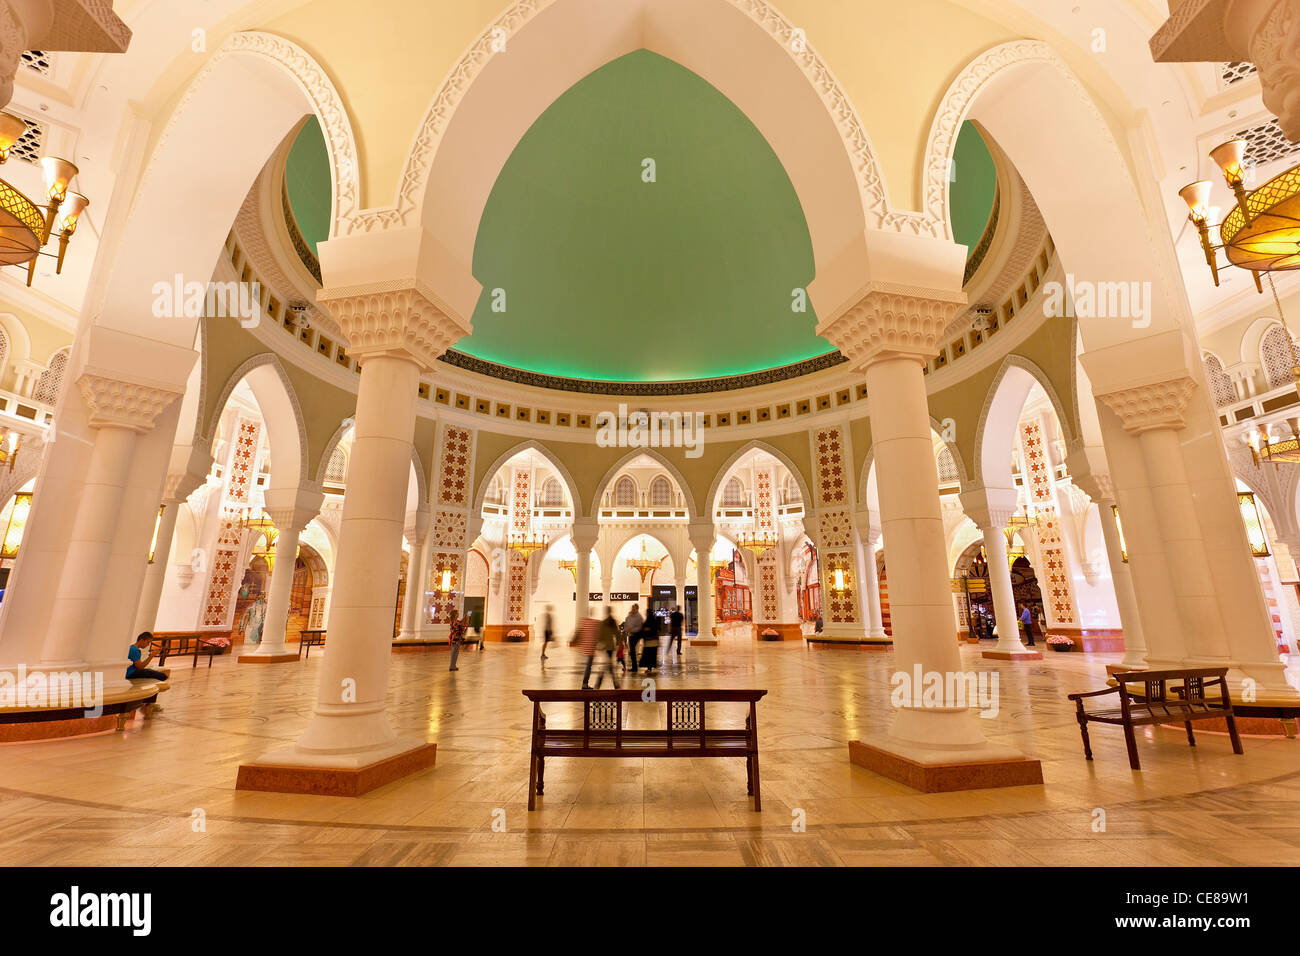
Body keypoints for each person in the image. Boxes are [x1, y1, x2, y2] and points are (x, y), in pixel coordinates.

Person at [589, 607, 621, 689]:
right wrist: (619, 643)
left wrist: (598, 644)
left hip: (604, 646)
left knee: (606, 665)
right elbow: (617, 634)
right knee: (608, 665)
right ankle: (615, 684)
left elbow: (600, 635)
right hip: (611, 646)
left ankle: (599, 684)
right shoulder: (613, 622)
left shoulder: (603, 623)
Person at [578, 612, 600, 688]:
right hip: (590, 649)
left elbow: (580, 634)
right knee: (588, 667)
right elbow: (597, 635)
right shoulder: (595, 623)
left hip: (584, 649)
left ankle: (585, 683)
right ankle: (585, 684)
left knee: (588, 667)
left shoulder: (584, 622)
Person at [623, 604, 644, 674]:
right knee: (631, 651)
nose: (632, 609)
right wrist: (626, 629)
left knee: (632, 651)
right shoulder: (630, 615)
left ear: (637, 609)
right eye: (632, 608)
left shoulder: (639, 617)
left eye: (634, 608)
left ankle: (635, 667)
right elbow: (626, 623)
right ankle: (634, 666)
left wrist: (631, 629)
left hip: (635, 635)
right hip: (630, 634)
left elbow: (639, 627)